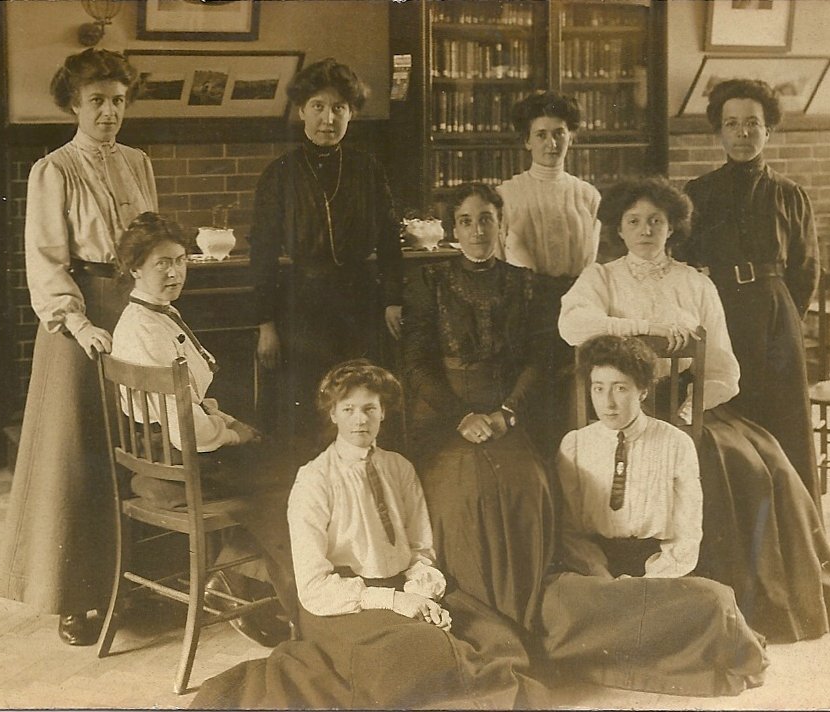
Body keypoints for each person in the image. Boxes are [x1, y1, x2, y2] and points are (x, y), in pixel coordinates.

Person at [559, 176, 830, 643]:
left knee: (760, 466)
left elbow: (725, 369)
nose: (646, 231)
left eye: (656, 221)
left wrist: (688, 411)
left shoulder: (694, 283)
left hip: (688, 409)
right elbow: (573, 326)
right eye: (634, 221)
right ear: (618, 229)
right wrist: (646, 326)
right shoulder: (600, 278)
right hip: (616, 412)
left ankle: (746, 600)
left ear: (672, 228)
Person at [191, 361, 544, 709]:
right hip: (343, 605)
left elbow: (421, 548)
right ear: (333, 414)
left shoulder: (399, 468)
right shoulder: (315, 480)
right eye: (349, 409)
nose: (360, 419)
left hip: (404, 588)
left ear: (382, 413)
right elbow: (314, 588)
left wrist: (420, 591)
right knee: (421, 651)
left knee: (496, 640)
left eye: (369, 409)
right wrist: (394, 602)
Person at [0, 48, 158, 646]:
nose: (109, 112)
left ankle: (138, 580)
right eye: (97, 101)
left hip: (134, 312)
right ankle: (77, 598)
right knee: (81, 458)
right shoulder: (54, 169)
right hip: (80, 322)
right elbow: (45, 260)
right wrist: (78, 322)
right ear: (73, 104)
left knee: (139, 445)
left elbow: (151, 239)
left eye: (118, 100)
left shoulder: (139, 162)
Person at [543, 335, 768, 697]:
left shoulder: (675, 443)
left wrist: (654, 576)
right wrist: (598, 574)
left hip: (656, 565)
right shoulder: (575, 444)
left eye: (620, 388)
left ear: (643, 391)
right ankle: (649, 642)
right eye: (598, 389)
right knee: (555, 602)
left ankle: (612, 647)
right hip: (593, 570)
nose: (608, 402)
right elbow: (570, 529)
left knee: (713, 601)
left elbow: (687, 525)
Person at [110, 212, 296, 647]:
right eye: (161, 264)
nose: (174, 272)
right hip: (176, 468)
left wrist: (228, 422)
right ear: (135, 268)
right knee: (291, 476)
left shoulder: (153, 317)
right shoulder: (143, 331)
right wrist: (231, 434)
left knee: (274, 457)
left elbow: (187, 404)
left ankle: (239, 582)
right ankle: (275, 597)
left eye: (179, 261)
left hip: (169, 455)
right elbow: (186, 431)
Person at [402, 182, 556, 633]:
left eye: (486, 219)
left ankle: (524, 619)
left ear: (501, 224)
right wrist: (459, 417)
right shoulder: (429, 282)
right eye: (466, 222)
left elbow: (538, 359)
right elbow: (416, 363)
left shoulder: (526, 285)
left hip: (508, 411)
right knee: (462, 490)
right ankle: (473, 621)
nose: (476, 231)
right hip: (443, 414)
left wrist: (507, 412)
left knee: (526, 483)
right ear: (453, 229)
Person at [250, 58, 403, 457]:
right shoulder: (279, 174)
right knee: (307, 407)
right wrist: (266, 323)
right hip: (301, 306)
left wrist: (392, 299)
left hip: (359, 305)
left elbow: (389, 242)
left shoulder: (368, 170)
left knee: (359, 403)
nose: (327, 118)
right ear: (301, 110)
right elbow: (262, 253)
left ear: (351, 113)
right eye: (318, 106)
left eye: (338, 108)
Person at [678, 79, 821, 506]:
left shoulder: (790, 194)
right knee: (728, 417)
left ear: (768, 130)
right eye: (732, 124)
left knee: (784, 421)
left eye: (753, 124)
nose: (743, 133)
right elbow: (684, 261)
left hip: (776, 318)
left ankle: (796, 529)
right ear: (719, 132)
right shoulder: (698, 193)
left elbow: (807, 268)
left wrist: (787, 320)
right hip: (720, 316)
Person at [496, 91, 602, 453]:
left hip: (576, 302)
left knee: (575, 395)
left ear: (571, 136)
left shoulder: (587, 195)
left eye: (559, 132)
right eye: (541, 134)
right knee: (534, 393)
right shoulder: (508, 194)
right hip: (527, 305)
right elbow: (499, 259)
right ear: (526, 140)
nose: (551, 142)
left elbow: (593, 260)